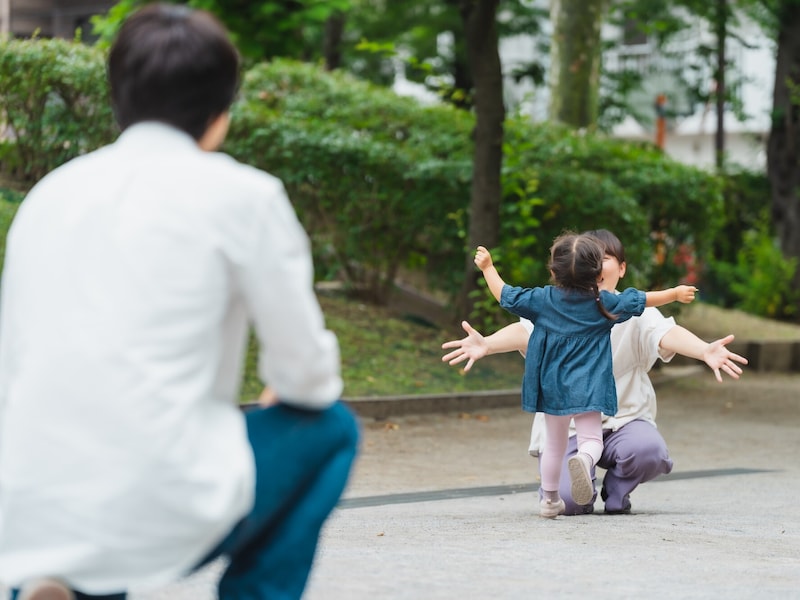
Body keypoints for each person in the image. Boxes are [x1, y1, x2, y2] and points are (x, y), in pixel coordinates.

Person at [0, 5, 358, 600]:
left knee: (72, 530)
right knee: (331, 430)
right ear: (220, 115)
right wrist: (287, 390)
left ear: (116, 96)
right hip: (160, 498)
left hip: (27, 502)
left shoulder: (49, 195)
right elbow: (309, 380)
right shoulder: (244, 196)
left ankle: (56, 583)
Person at [445, 229, 747, 516]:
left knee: (626, 449)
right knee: (576, 485)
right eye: (594, 257)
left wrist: (704, 349)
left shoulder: (550, 302)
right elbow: (523, 332)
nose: (599, 264)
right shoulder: (605, 305)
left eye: (605, 257)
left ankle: (596, 495)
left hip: (605, 414)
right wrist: (487, 344)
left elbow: (666, 333)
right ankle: (579, 477)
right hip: (591, 395)